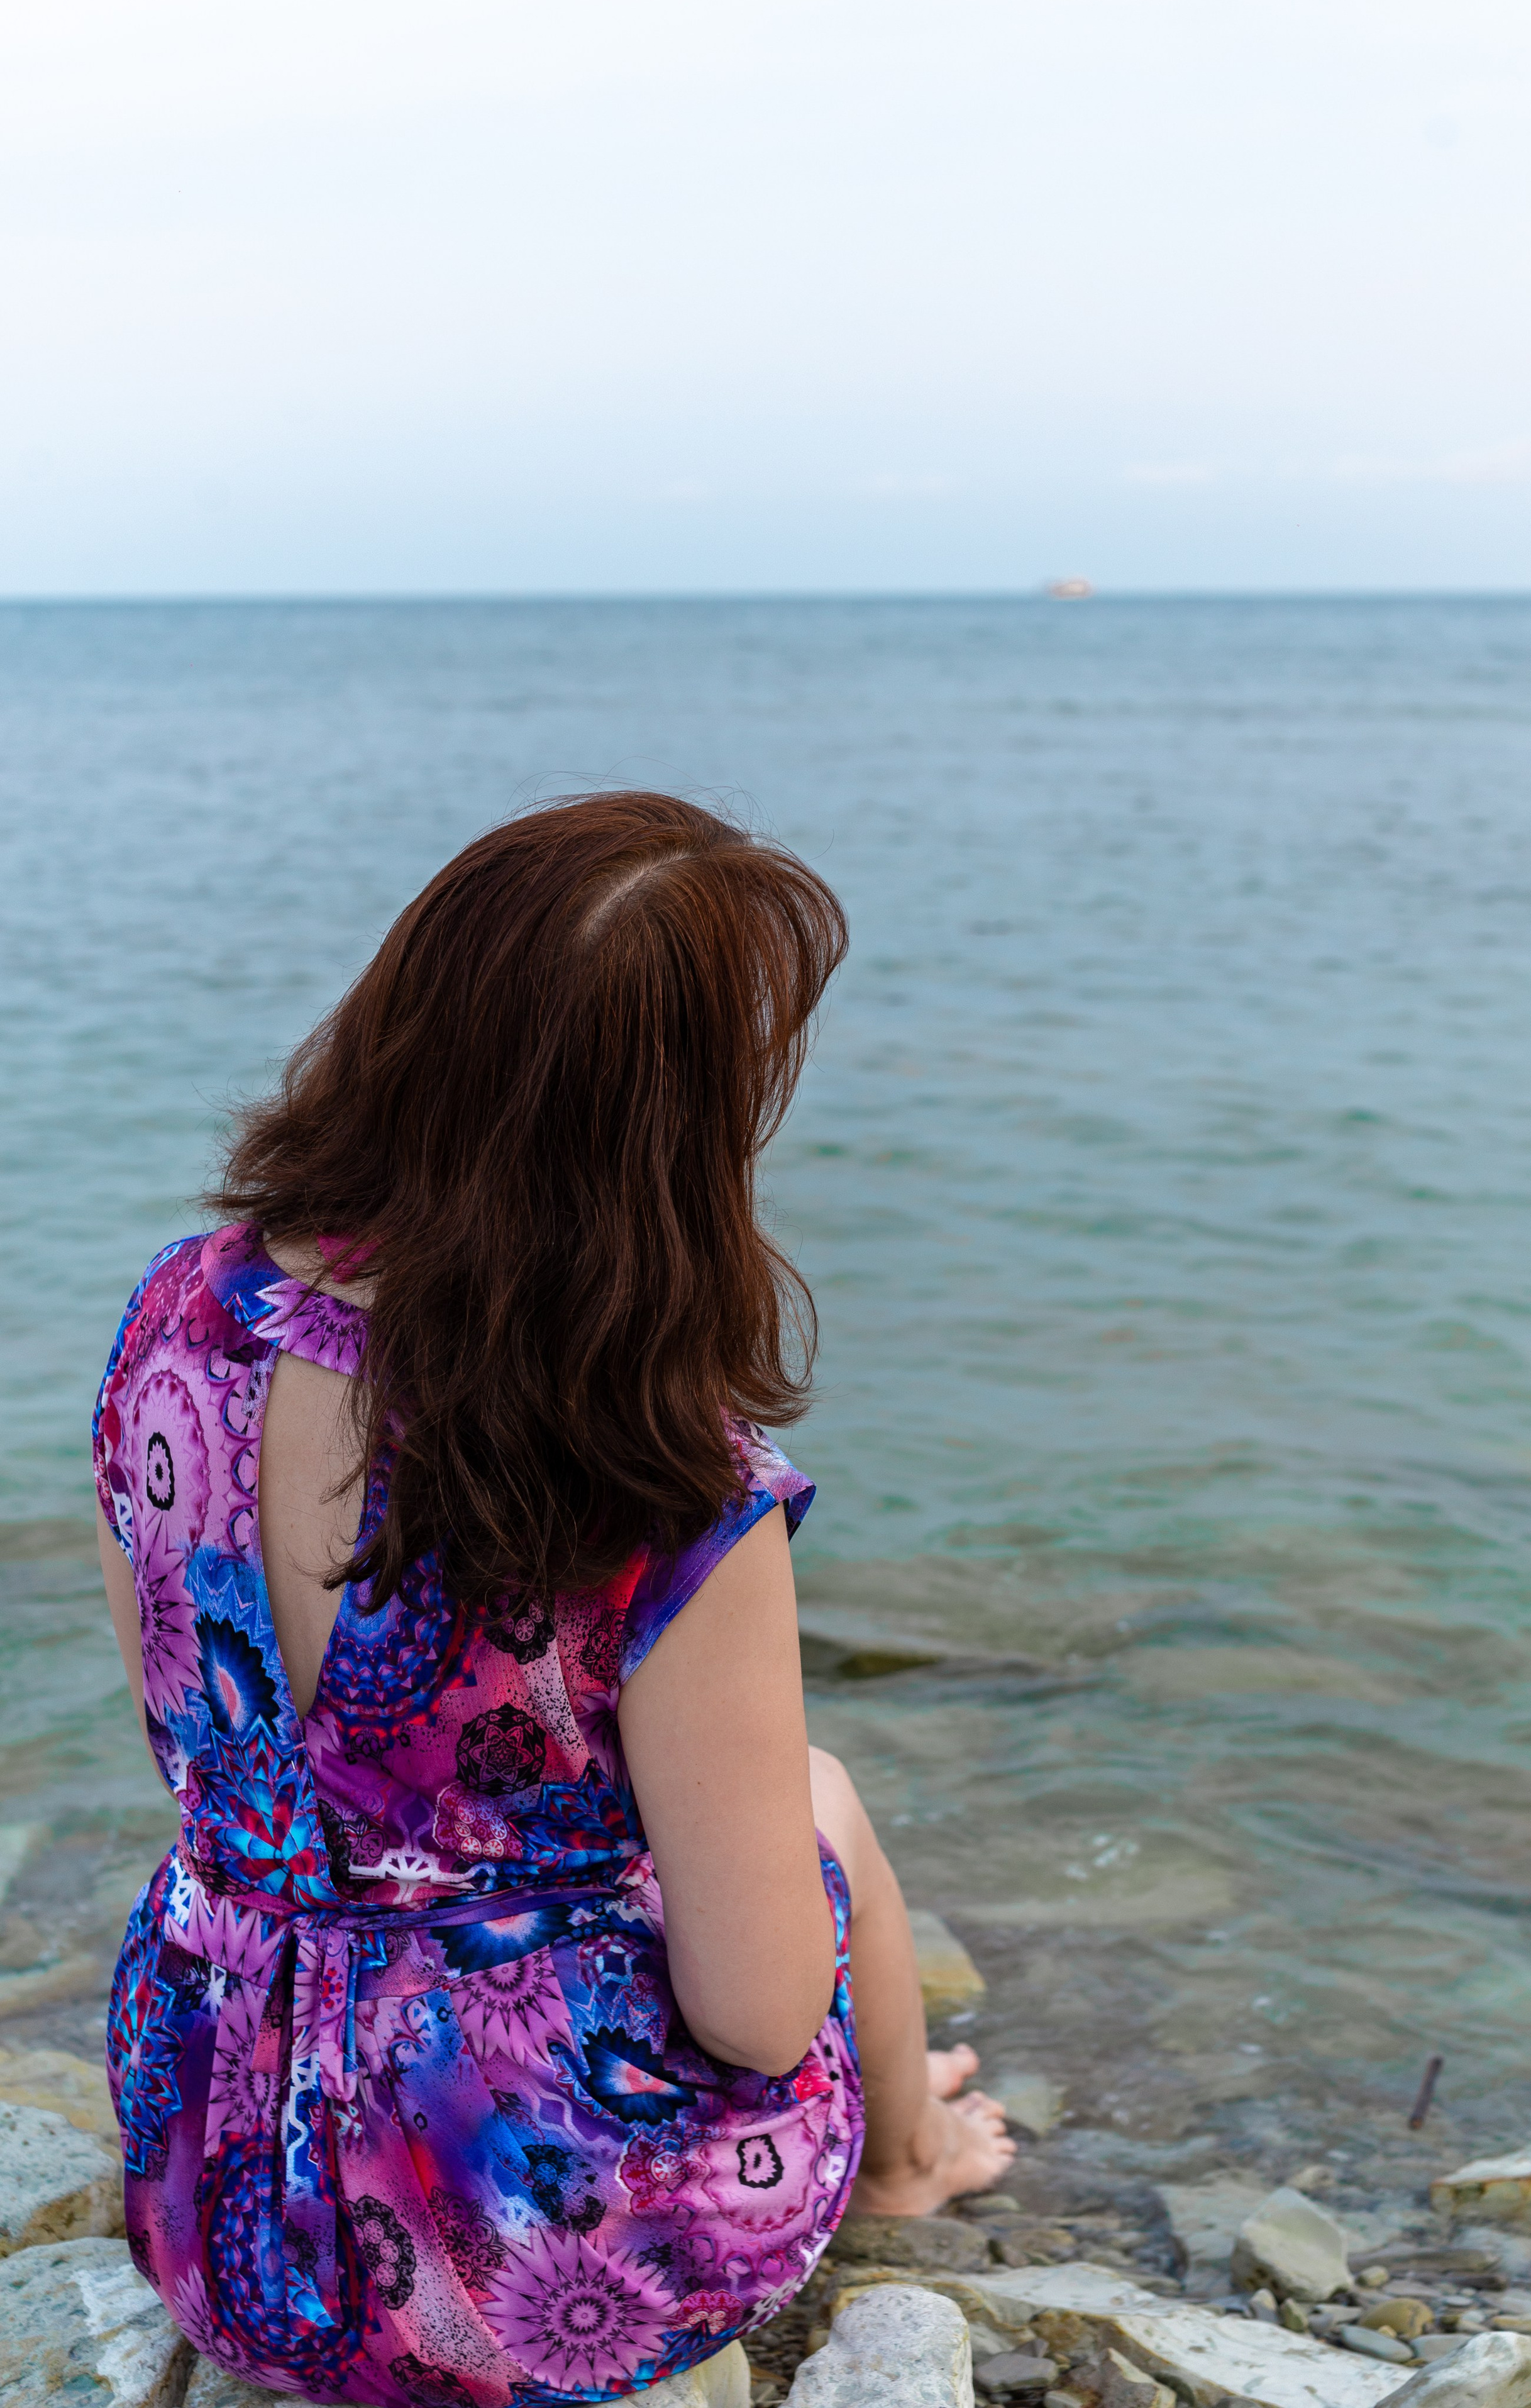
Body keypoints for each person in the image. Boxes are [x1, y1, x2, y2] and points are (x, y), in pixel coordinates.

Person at [92, 792, 1013, 2407]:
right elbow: (749, 2010)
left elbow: (189, 1736)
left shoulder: (185, 1314)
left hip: (223, 2164)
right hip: (519, 2257)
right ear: (673, 1132)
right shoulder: (659, 1480)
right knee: (821, 1806)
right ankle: (909, 2157)